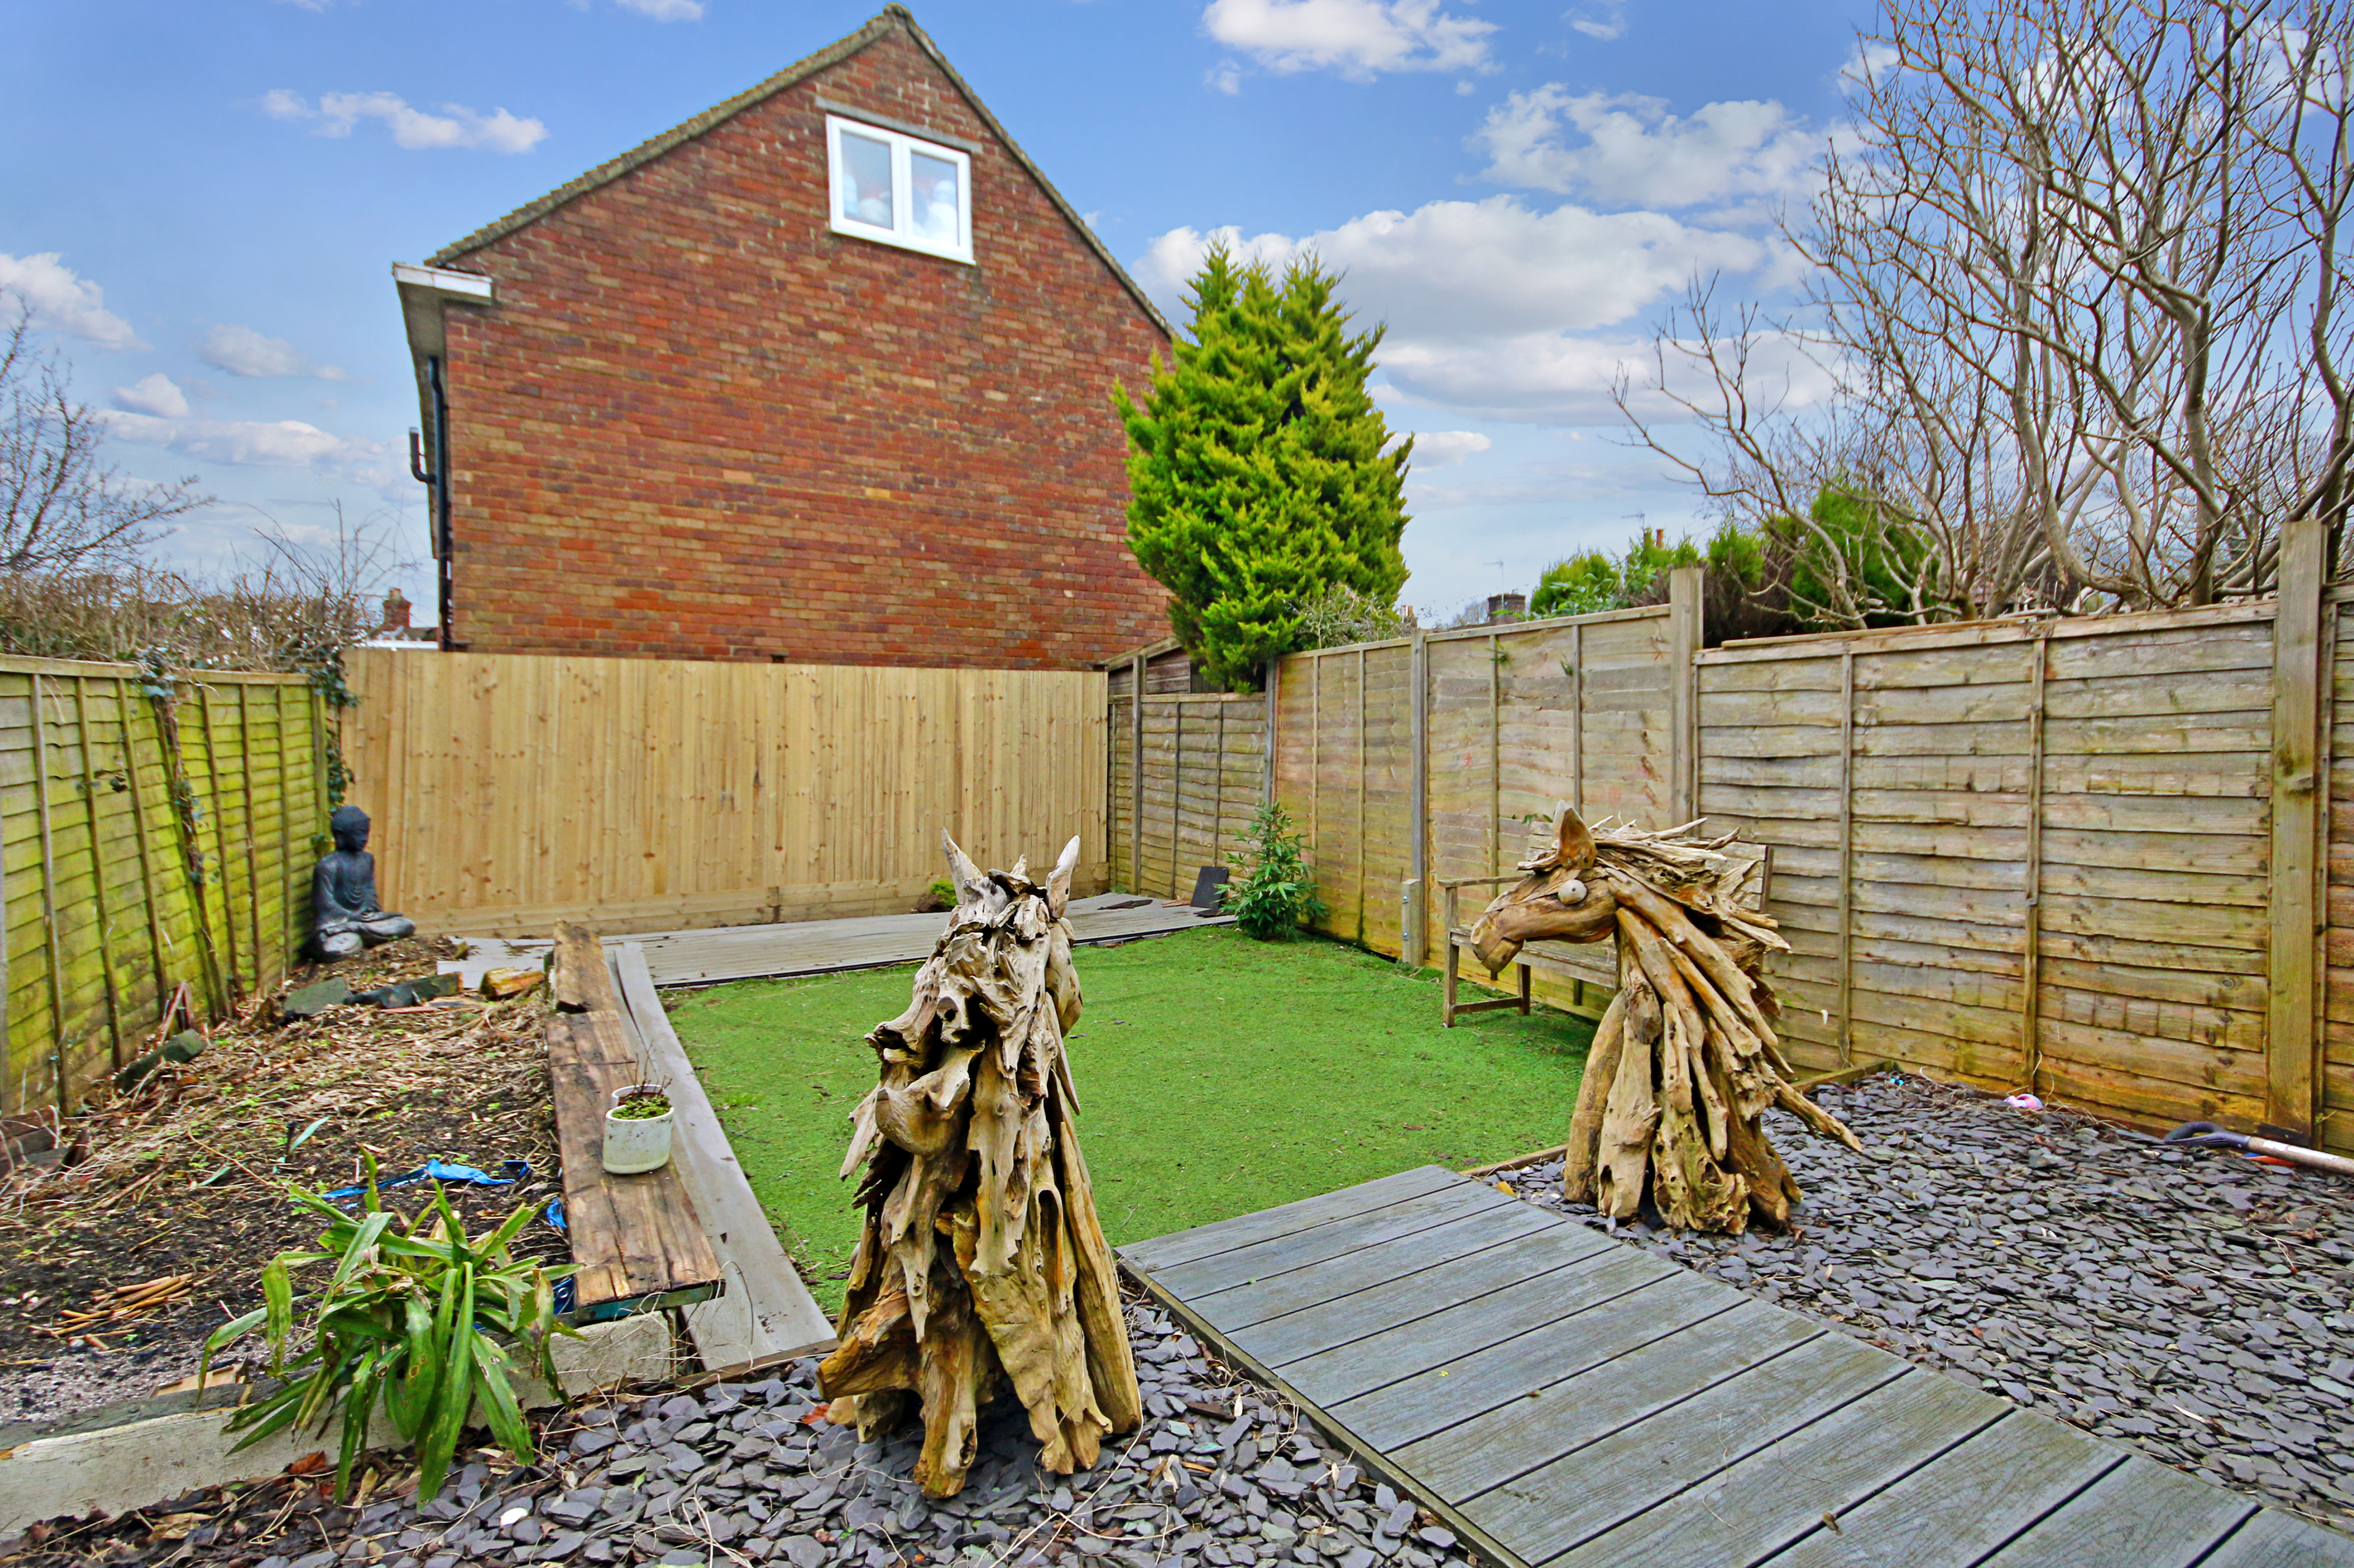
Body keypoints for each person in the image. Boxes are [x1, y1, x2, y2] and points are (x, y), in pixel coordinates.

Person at [309, 804, 415, 961]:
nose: (364, 838)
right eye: (359, 834)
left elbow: (370, 893)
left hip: (365, 922)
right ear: (341, 835)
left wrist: (369, 912)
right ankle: (362, 935)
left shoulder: (367, 860)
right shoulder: (329, 865)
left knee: (405, 924)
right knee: (340, 946)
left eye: (366, 833)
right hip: (340, 926)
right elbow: (325, 905)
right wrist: (353, 917)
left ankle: (365, 933)